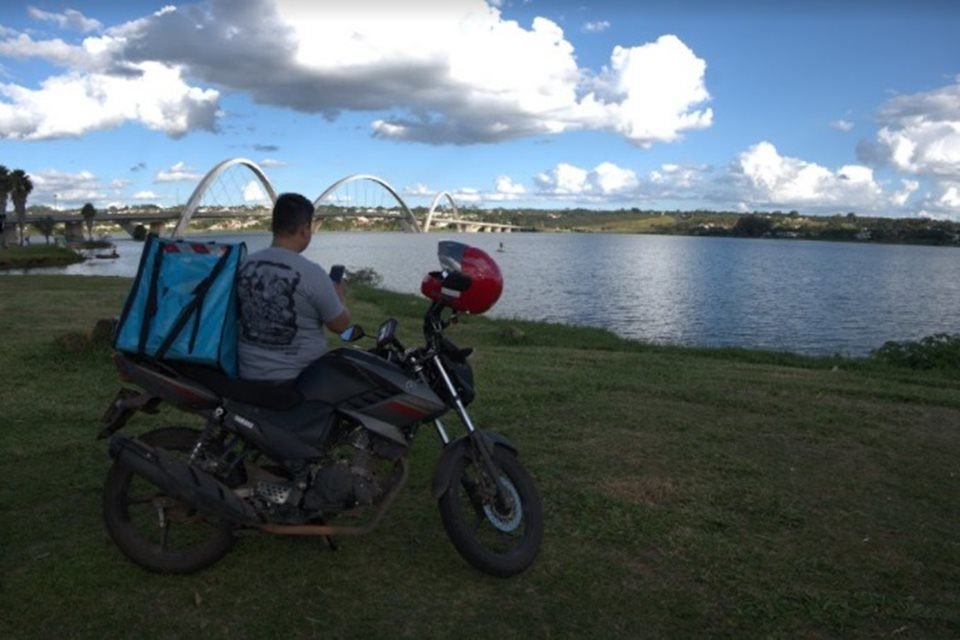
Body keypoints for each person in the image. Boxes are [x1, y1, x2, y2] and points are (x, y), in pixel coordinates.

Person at [236, 192, 351, 381]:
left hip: (248, 374)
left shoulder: (245, 265)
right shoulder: (312, 273)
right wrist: (339, 296)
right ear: (305, 230)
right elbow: (340, 326)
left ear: (274, 227)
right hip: (297, 381)